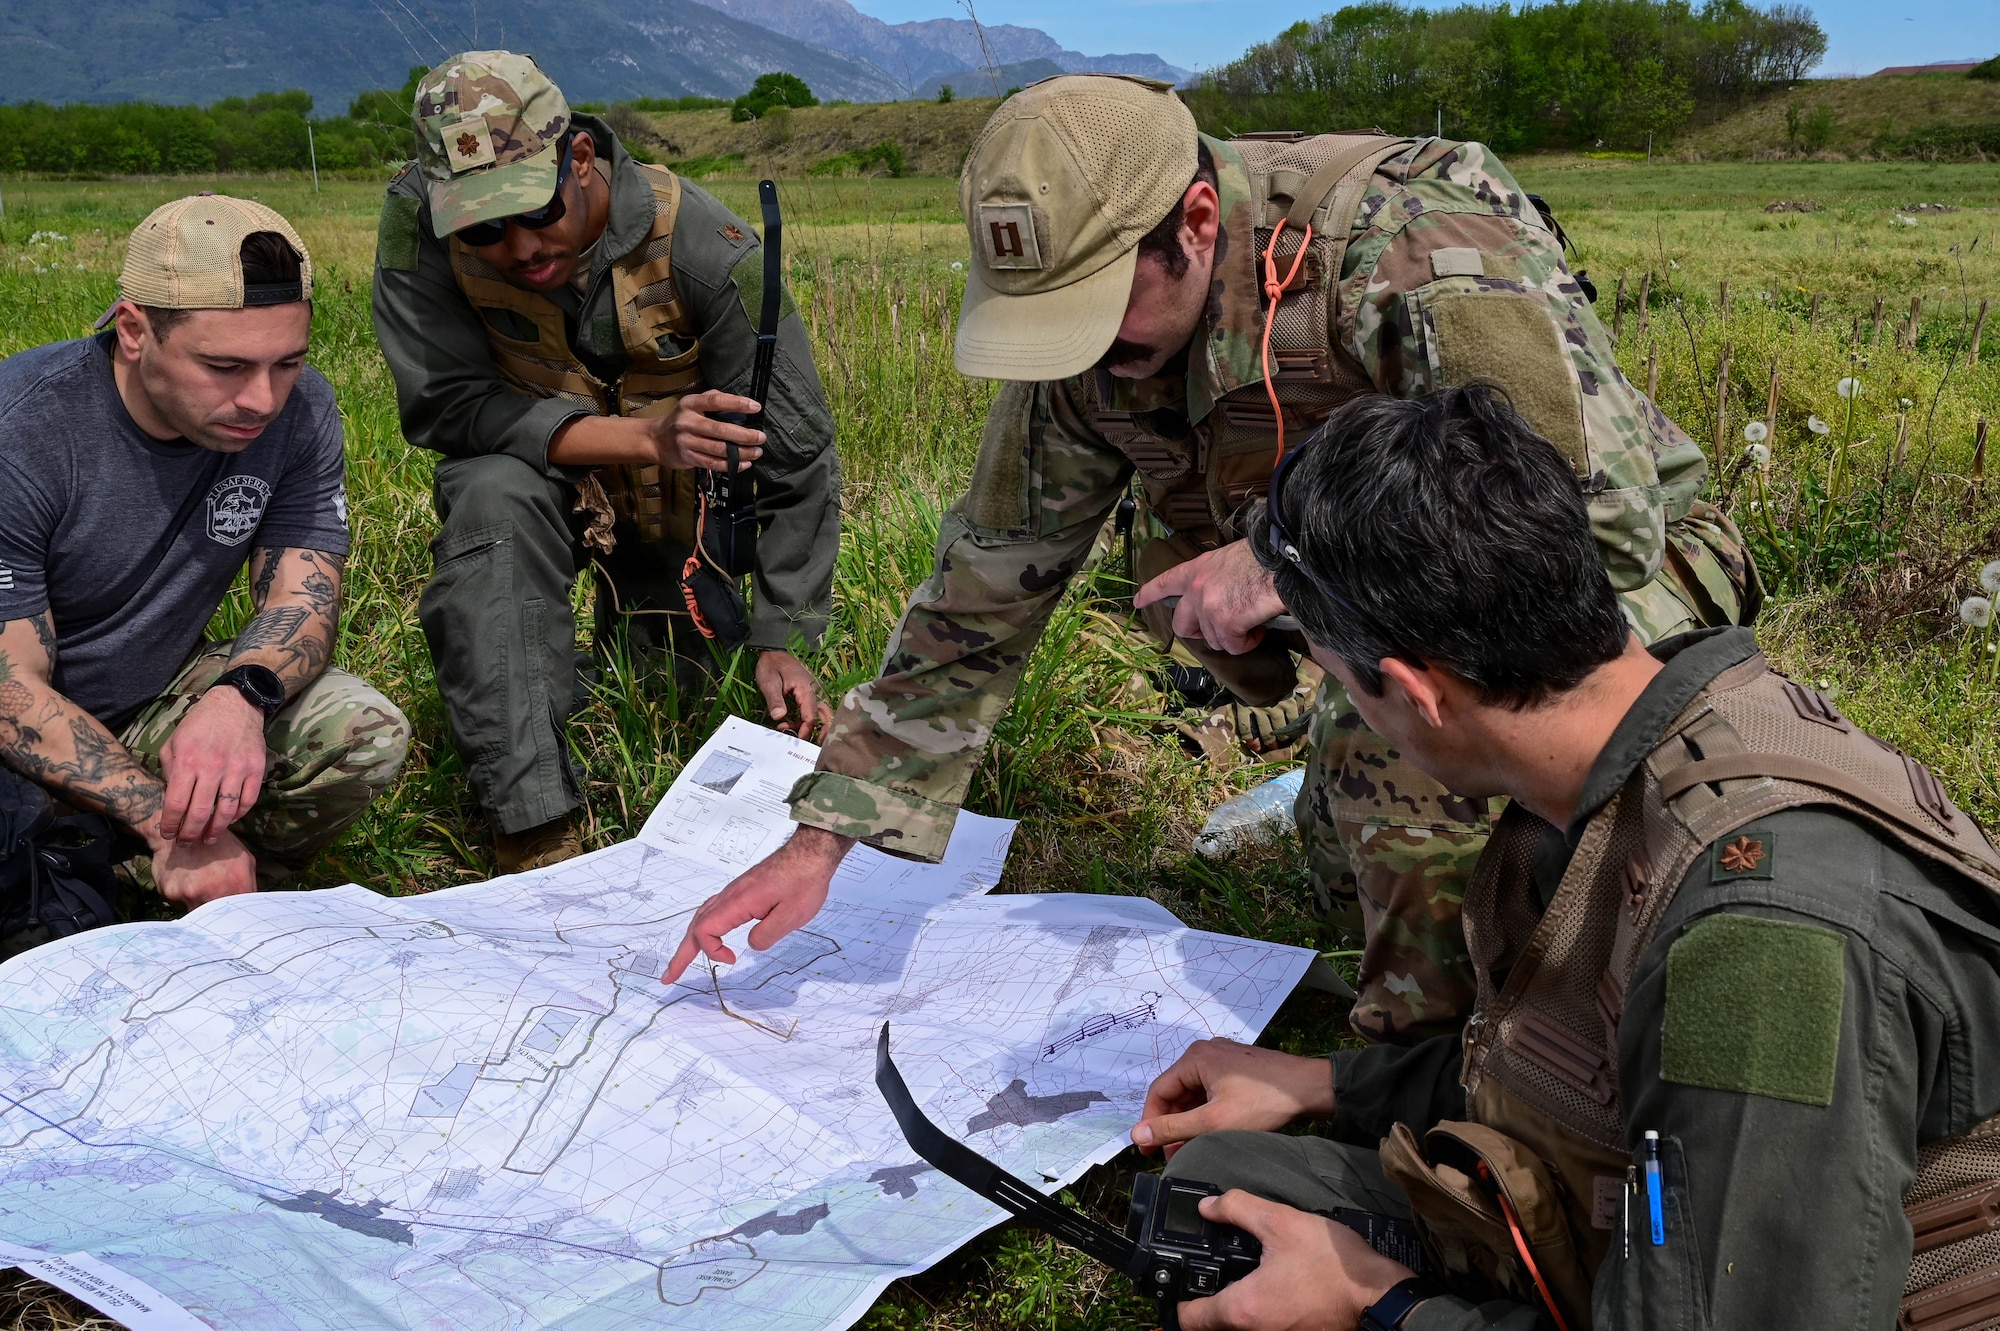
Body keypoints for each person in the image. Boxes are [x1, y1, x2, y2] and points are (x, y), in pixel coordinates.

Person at [664, 74, 1758, 1032]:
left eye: (1098, 310)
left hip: (1617, 580)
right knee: (1349, 861)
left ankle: (1430, 1074)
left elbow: (1580, 525)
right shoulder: (1083, 348)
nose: (1086, 356)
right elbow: (983, 590)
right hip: (1368, 612)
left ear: (1194, 223)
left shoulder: (1414, 246)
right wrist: (824, 837)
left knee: (1399, 745)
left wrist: (1281, 563)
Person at [1118, 385, 2000, 1331]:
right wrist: (1327, 1084)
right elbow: (1570, 1059)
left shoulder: (1763, 945)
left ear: (1417, 692)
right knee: (1219, 1201)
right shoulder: (1625, 742)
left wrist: (1379, 1304)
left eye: (1342, 684)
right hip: (1659, 1215)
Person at [372, 51, 841, 873]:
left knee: (673, 693)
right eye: (481, 230)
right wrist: (641, 438)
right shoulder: (418, 225)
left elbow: (794, 454)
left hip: (679, 514)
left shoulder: (705, 246)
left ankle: (566, 665)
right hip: (536, 484)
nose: (518, 248)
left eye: (535, 212)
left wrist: (785, 635)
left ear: (580, 158)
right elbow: (445, 405)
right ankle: (533, 827)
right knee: (489, 493)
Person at [0, 195, 410, 910]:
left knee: (358, 732)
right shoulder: (25, 430)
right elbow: (10, 692)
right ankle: (114, 874)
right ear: (134, 331)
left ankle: (174, 893)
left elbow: (301, 598)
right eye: (224, 366)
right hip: (23, 734)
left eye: (287, 363)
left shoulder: (301, 412)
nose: (262, 399)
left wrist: (240, 698)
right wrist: (161, 820)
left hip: (152, 701)